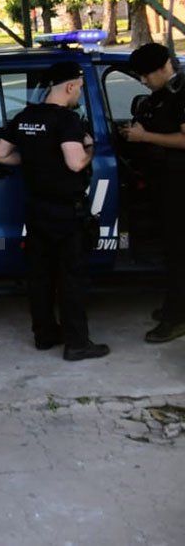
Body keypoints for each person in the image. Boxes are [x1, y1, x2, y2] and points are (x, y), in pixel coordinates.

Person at [0, 61, 110, 361]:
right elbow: (75, 163)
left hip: (36, 209)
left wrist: (34, 160)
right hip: (66, 213)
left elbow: (1, 155)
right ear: (70, 86)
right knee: (70, 278)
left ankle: (45, 335)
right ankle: (77, 344)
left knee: (40, 276)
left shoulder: (24, 118)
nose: (79, 95)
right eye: (80, 89)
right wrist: (90, 148)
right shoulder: (67, 120)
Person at [122, 42, 185, 343]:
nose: (143, 82)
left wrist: (145, 136)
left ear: (163, 68)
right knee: (170, 250)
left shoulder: (183, 92)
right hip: (163, 185)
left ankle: (176, 319)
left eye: (146, 75)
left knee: (178, 254)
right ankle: (175, 307)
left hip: (180, 187)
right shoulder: (162, 95)